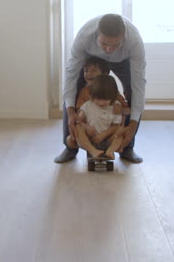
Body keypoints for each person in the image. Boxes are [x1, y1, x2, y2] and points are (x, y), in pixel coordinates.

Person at [54, 13, 146, 164]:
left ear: (123, 37)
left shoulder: (134, 42)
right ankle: (70, 148)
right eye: (104, 44)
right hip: (92, 57)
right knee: (75, 91)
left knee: (132, 91)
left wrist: (133, 124)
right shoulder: (84, 36)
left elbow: (139, 85)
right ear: (97, 34)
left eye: (115, 45)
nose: (109, 50)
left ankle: (127, 147)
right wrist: (71, 112)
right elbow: (70, 76)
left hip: (123, 60)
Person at [66, 75, 127, 160]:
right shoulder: (88, 105)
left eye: (105, 99)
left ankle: (110, 151)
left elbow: (116, 126)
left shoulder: (116, 106)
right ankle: (93, 151)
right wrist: (86, 127)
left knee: (121, 135)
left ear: (112, 97)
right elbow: (78, 121)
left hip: (108, 140)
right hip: (90, 140)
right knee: (74, 133)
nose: (101, 103)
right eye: (98, 99)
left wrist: (103, 135)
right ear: (92, 95)